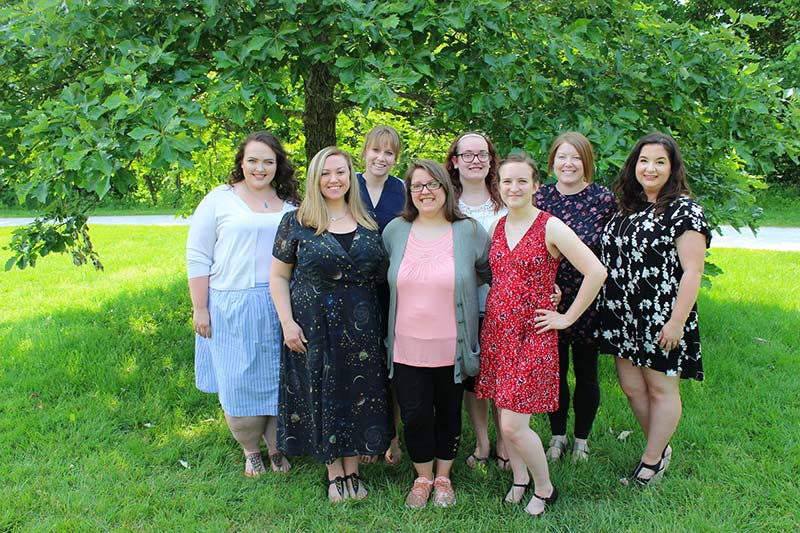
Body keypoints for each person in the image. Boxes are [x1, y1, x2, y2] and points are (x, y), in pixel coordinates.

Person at [475, 152, 607, 517]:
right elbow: (499, 277)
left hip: (532, 335)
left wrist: (565, 317)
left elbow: (596, 272)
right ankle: (519, 478)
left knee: (515, 426)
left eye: (522, 181)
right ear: (498, 187)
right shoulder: (497, 227)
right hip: (499, 333)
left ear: (536, 185)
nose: (514, 187)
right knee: (505, 418)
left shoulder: (550, 226)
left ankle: (545, 488)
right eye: (507, 182)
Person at [270, 146, 393, 503]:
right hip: (314, 324)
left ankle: (353, 470)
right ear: (314, 178)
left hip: (362, 326)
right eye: (325, 173)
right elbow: (278, 276)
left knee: (357, 393)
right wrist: (287, 323)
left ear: (350, 177)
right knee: (323, 391)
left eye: (340, 172)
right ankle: (333, 473)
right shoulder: (296, 221)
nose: (333, 179)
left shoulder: (368, 220)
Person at [597, 132, 710, 486]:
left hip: (662, 314)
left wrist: (677, 323)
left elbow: (693, 270)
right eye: (644, 161)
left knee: (661, 389)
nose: (651, 168)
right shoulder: (627, 206)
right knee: (632, 387)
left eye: (660, 161)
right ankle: (660, 447)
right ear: (634, 166)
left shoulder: (684, 210)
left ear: (672, 168)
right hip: (623, 314)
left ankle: (651, 462)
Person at [187, 131, 300, 477]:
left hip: (279, 303)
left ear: (277, 165)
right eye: (252, 160)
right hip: (232, 303)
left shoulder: (290, 204)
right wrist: (200, 307)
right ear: (240, 162)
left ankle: (276, 446)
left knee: (277, 378)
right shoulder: (220, 200)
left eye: (268, 161)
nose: (259, 168)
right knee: (239, 378)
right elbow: (197, 253)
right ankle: (251, 450)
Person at [383, 160, 491, 508]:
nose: (425, 192)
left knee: (448, 413)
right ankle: (422, 477)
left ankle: (443, 477)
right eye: (417, 186)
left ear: (446, 188)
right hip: (405, 345)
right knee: (414, 415)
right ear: (409, 193)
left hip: (452, 346)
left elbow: (493, 272)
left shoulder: (469, 231)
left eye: (432, 184)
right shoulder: (395, 231)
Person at [534, 132, 617, 463]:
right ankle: (557, 436)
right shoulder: (540, 198)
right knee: (555, 371)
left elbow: (611, 252)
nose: (568, 164)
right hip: (550, 300)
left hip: (589, 299)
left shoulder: (603, 199)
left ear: (587, 163)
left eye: (576, 158)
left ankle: (581, 438)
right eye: (561, 157)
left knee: (586, 372)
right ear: (552, 161)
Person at [444, 131, 509, 470]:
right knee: (473, 377)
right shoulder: (446, 204)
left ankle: (506, 442)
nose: (475, 161)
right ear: (454, 161)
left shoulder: (507, 200)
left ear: (490, 160)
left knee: (500, 375)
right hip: (463, 306)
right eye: (467, 155)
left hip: (504, 305)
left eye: (482, 154)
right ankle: (482, 442)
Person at [356, 125, 405, 466]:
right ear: (364, 152)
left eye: (389, 153)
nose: (381, 158)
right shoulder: (346, 184)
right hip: (354, 290)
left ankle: (394, 437)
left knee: (394, 366)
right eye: (376, 150)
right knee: (360, 362)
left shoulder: (402, 190)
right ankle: (363, 435)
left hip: (393, 289)